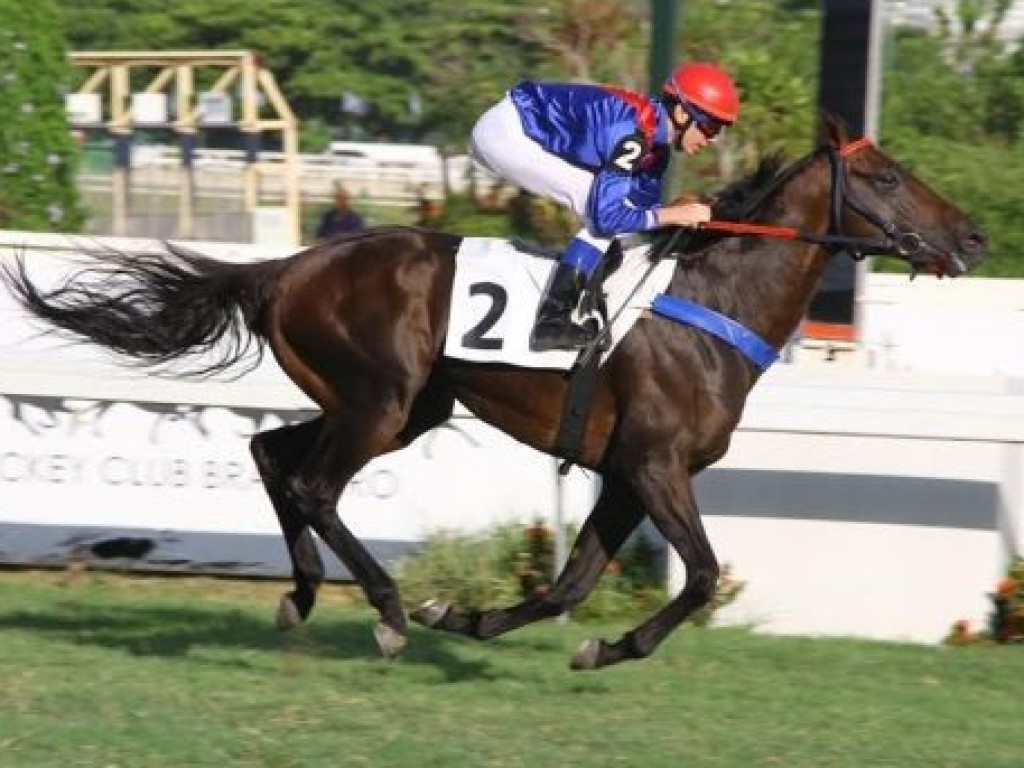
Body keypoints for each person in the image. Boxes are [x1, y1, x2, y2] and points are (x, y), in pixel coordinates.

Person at [469, 62, 741, 351]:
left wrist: (684, 214)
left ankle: (587, 299)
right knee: (598, 206)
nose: (711, 139)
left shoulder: (656, 151)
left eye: (718, 130)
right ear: (682, 112)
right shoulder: (634, 134)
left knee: (617, 218)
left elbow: (641, 219)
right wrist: (675, 214)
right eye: (710, 126)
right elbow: (607, 219)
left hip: (519, 128)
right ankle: (553, 321)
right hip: (505, 133)